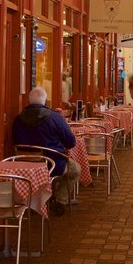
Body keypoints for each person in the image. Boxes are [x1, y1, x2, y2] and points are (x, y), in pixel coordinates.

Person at [13, 86, 80, 214]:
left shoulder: (17, 120)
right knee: (75, 170)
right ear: (45, 101)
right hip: (52, 165)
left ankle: (42, 197)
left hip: (25, 167)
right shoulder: (55, 118)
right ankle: (60, 200)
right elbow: (71, 142)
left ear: (29, 101)